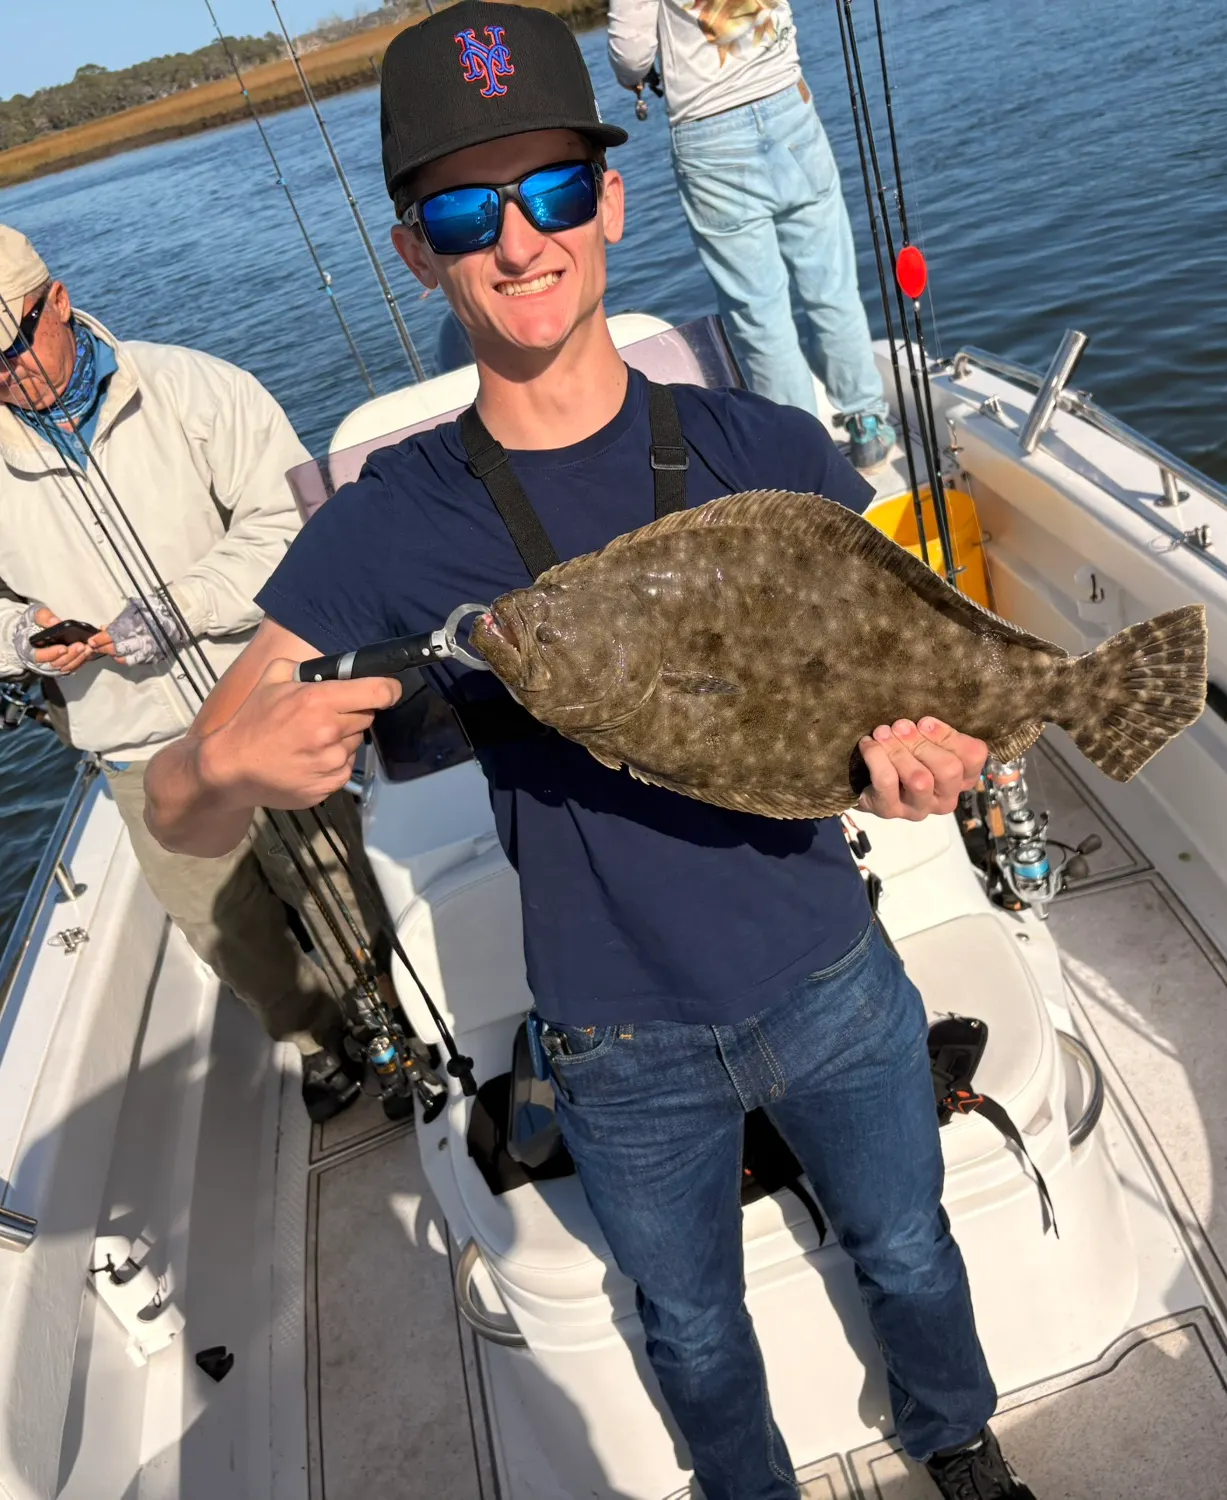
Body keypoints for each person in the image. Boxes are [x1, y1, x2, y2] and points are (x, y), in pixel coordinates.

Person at [142, 6, 1033, 1496]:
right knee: (688, 1325)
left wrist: (937, 767)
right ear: (417, 248)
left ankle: (957, 1436)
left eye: (552, 189)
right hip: (615, 1042)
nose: (519, 239)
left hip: (833, 969)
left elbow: (912, 686)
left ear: (612, 199)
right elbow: (175, 799)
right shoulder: (385, 524)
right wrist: (240, 771)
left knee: (909, 1242)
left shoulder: (770, 450)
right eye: (463, 208)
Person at [0, 224, 379, 1122]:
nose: (8, 376)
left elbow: (288, 524)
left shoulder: (196, 387)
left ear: (56, 301)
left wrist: (181, 607)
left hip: (265, 700)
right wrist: (21, 634)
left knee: (348, 881)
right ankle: (318, 1044)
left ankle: (391, 1017)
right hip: (134, 753)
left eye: (11, 345)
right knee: (227, 929)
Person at [608, 0, 898, 472]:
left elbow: (630, 53)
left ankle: (808, 460)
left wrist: (634, 75)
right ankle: (868, 424)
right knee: (831, 283)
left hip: (710, 134)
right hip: (790, 105)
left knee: (760, 313)